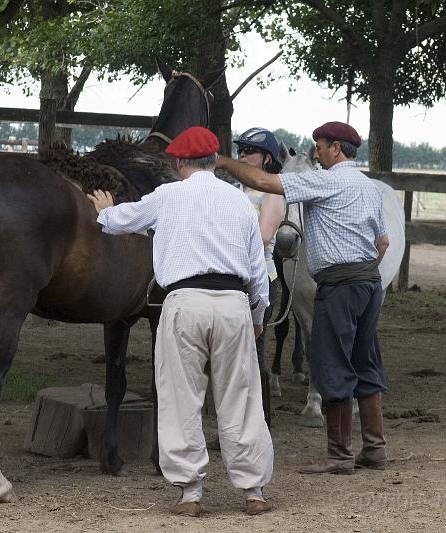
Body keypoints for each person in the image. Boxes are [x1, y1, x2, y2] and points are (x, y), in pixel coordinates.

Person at [87, 126, 274, 516]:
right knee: (241, 395)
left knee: (181, 396)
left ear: (178, 163)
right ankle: (253, 490)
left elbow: (122, 221)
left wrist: (104, 211)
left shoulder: (167, 196)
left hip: (184, 302)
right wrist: (257, 312)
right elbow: (257, 268)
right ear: (213, 161)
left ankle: (190, 493)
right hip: (232, 302)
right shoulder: (240, 202)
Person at [216, 121, 390, 476]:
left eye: (321, 147)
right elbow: (383, 242)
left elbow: (264, 182)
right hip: (368, 283)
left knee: (332, 364)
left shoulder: (324, 181)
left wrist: (221, 161)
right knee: (365, 360)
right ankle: (375, 448)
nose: (316, 153)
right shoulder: (369, 188)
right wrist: (362, 270)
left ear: (336, 149)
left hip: (339, 286)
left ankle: (340, 455)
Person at [233, 127, 286, 415]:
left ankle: (261, 420)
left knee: (253, 354)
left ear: (266, 159)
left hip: (259, 277)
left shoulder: (272, 193)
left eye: (249, 151)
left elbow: (264, 236)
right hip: (231, 277)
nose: (242, 155)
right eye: (240, 150)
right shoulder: (232, 190)